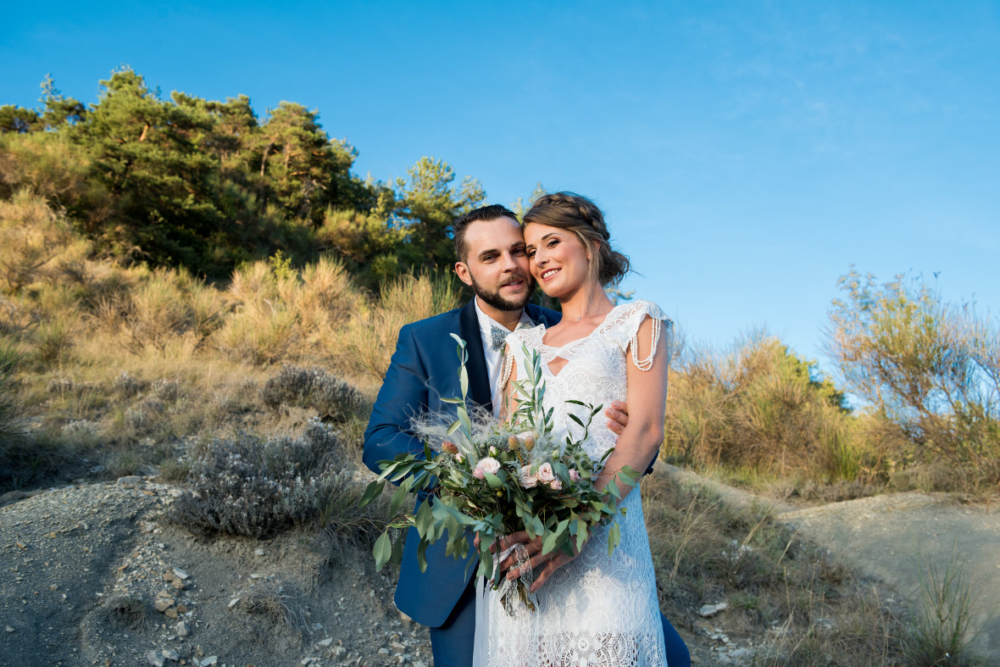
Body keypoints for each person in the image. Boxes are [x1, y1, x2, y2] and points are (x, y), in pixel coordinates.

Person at [363, 203, 690, 667]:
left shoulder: (570, 325)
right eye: (491, 256)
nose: (515, 265)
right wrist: (467, 480)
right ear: (465, 270)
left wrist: (617, 432)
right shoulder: (424, 338)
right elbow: (380, 440)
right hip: (468, 559)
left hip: (579, 536)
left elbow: (639, 429)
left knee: (669, 658)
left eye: (520, 251)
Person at [476, 193, 676, 666]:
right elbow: (510, 446)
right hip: (530, 547)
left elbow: (645, 431)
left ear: (589, 245)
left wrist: (577, 530)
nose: (539, 259)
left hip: (607, 551)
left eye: (551, 242)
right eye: (531, 250)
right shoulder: (521, 346)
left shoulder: (637, 321)